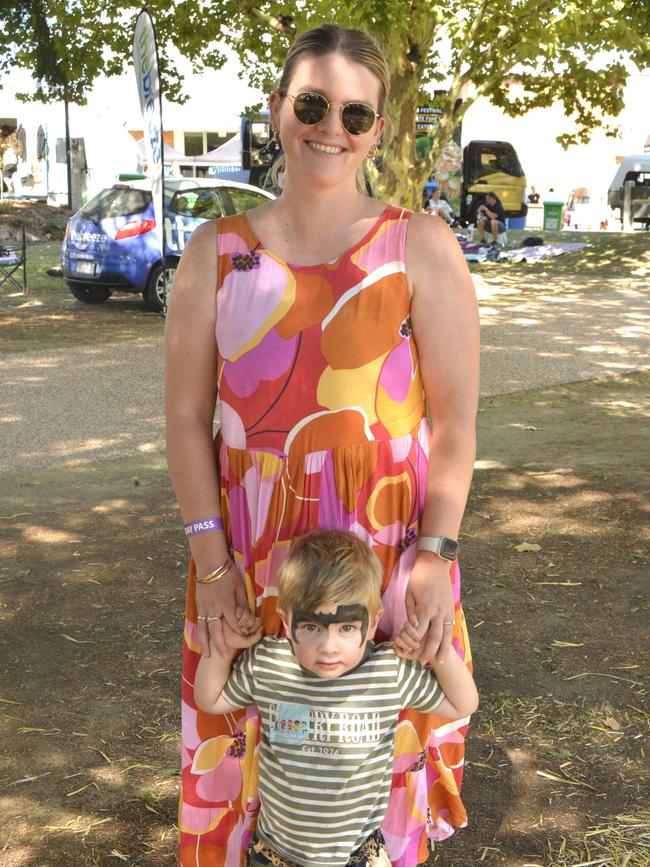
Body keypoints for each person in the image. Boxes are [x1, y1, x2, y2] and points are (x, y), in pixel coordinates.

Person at [165, 22, 479, 866]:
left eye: (355, 111)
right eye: (312, 103)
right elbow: (190, 421)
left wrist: (435, 557)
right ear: (277, 110)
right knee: (247, 763)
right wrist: (213, 566)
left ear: (377, 128)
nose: (330, 125)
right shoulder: (215, 253)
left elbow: (454, 427)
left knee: (368, 786)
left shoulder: (423, 245)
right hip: (247, 561)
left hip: (381, 563)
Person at [194, 530, 479, 867]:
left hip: (358, 857)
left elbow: (463, 704)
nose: (328, 646)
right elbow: (210, 700)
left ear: (373, 624)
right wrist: (223, 650)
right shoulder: (269, 663)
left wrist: (435, 653)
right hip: (276, 854)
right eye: (312, 627)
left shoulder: (389, 671)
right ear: (286, 620)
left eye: (346, 628)